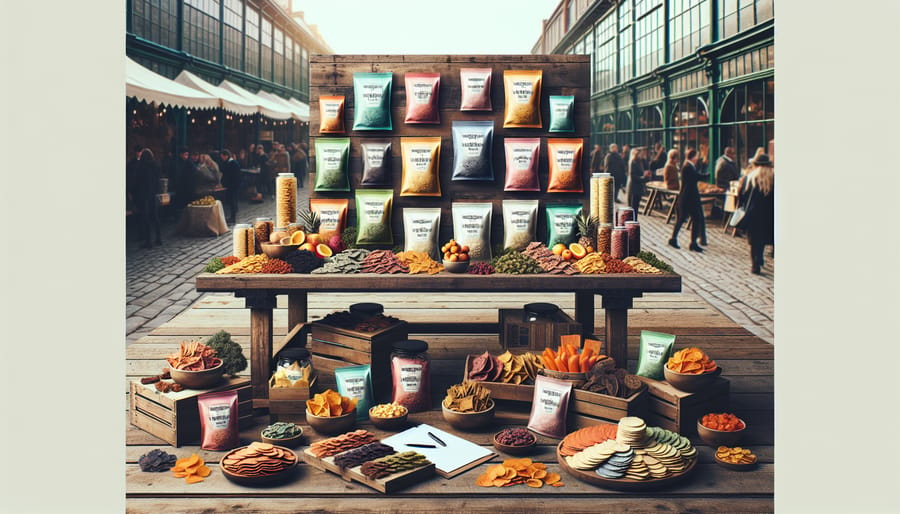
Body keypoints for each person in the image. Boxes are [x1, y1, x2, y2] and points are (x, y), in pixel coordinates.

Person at [737, 154, 775, 274]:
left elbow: (742, 194)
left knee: (755, 240)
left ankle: (755, 264)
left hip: (753, 214)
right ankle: (761, 258)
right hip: (769, 214)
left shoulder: (750, 178)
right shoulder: (773, 177)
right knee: (764, 237)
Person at [668, 148, 709, 252]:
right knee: (685, 219)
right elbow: (695, 177)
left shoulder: (690, 166)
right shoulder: (687, 167)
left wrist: (704, 167)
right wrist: (707, 175)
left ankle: (691, 242)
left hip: (689, 198)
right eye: (697, 156)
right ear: (693, 156)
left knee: (694, 219)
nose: (698, 158)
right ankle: (678, 240)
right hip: (688, 198)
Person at [135, 148, 162, 248]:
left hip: (144, 195)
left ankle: (148, 241)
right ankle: (158, 238)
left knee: (146, 218)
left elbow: (138, 181)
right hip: (153, 194)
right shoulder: (155, 165)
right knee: (155, 217)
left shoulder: (141, 167)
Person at [625, 147, 650, 218]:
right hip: (633, 188)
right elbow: (633, 176)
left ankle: (634, 222)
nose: (643, 155)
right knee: (633, 207)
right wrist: (643, 177)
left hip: (638, 188)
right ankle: (632, 223)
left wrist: (646, 176)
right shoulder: (633, 162)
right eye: (641, 153)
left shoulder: (641, 162)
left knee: (636, 207)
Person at [220, 149, 242, 224]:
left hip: (233, 185)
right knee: (231, 201)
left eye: (222, 156)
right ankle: (232, 217)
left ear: (226, 156)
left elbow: (234, 176)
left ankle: (233, 217)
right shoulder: (229, 163)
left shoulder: (233, 163)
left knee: (232, 201)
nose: (222, 158)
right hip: (231, 185)